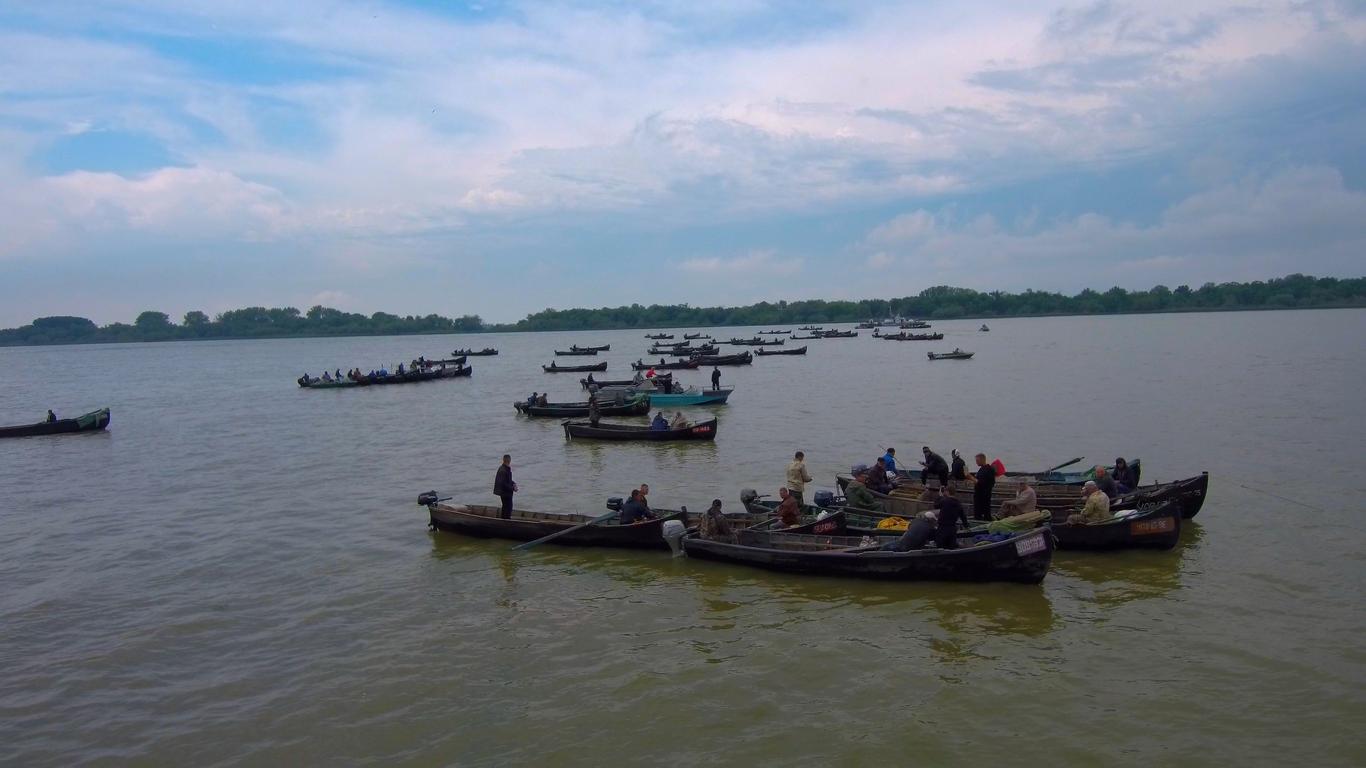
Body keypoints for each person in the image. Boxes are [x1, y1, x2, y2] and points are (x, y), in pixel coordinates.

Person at [968, 452, 996, 521]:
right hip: (982, 494)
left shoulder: (987, 470)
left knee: (981, 513)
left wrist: (969, 477)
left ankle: (981, 523)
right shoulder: (983, 469)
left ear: (982, 460)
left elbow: (980, 482)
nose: (976, 462)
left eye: (977, 460)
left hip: (983, 495)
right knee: (984, 512)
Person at [493, 454, 517, 519]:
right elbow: (503, 484)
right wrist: (513, 488)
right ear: (509, 460)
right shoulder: (503, 470)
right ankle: (506, 520)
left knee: (506, 507)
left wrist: (513, 483)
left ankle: (504, 519)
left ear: (503, 460)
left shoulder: (505, 468)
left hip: (506, 492)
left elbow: (508, 480)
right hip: (505, 493)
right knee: (508, 508)